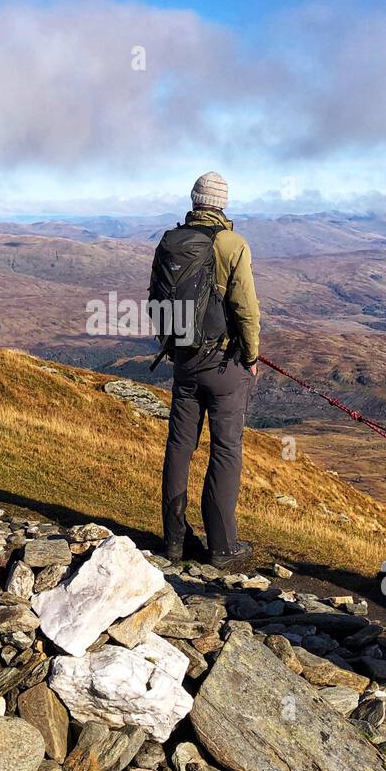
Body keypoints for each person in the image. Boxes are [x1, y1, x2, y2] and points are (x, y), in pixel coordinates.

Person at [150, 171, 260, 569]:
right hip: (224, 366)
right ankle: (222, 547)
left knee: (180, 448)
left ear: (195, 200)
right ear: (222, 203)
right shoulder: (232, 243)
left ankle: (175, 542)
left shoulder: (170, 241)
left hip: (184, 362)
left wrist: (175, 346)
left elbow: (156, 300)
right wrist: (251, 356)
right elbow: (246, 308)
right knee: (226, 450)